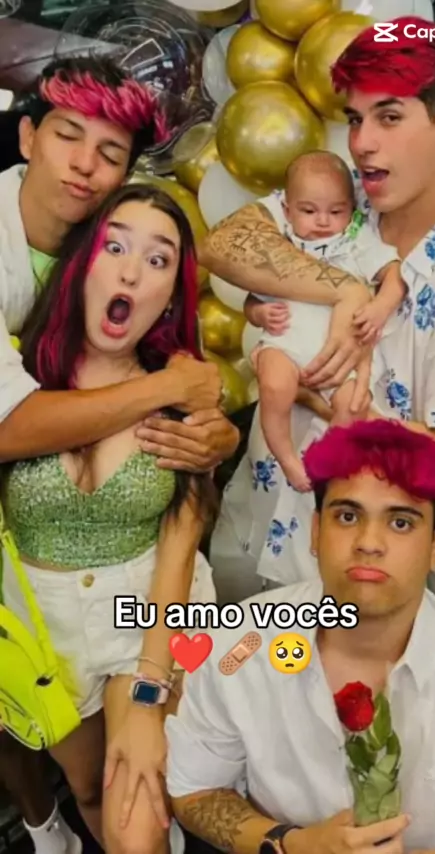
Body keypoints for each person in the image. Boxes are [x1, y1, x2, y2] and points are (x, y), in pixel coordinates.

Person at [0, 55, 238, 854]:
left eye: (109, 152)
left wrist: (147, 690)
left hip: (142, 623)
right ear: (27, 137)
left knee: (136, 806)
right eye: (67, 136)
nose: (83, 165)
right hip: (41, 629)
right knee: (86, 789)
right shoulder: (34, 340)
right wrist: (178, 384)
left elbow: (183, 533)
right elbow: (8, 427)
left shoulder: (173, 387)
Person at [204, 16, 435, 617]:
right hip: (254, 539)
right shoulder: (339, 197)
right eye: (355, 119)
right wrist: (348, 290)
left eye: (389, 116)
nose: (362, 143)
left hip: (378, 599)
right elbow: (223, 244)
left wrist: (319, 401)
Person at [165, 419, 435, 854]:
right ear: (315, 532)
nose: (369, 542)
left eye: (401, 522)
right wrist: (293, 845)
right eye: (347, 516)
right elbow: (196, 791)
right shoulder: (239, 647)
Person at [244, 150, 405, 491]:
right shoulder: (280, 246)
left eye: (336, 211)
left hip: (342, 357)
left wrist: (380, 307)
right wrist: (258, 313)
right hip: (286, 343)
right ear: (287, 210)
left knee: (353, 405)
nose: (322, 221)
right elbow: (252, 299)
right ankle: (287, 459)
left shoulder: (356, 241)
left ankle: (329, 462)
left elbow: (394, 277)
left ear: (352, 209)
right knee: (273, 387)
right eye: (308, 211)